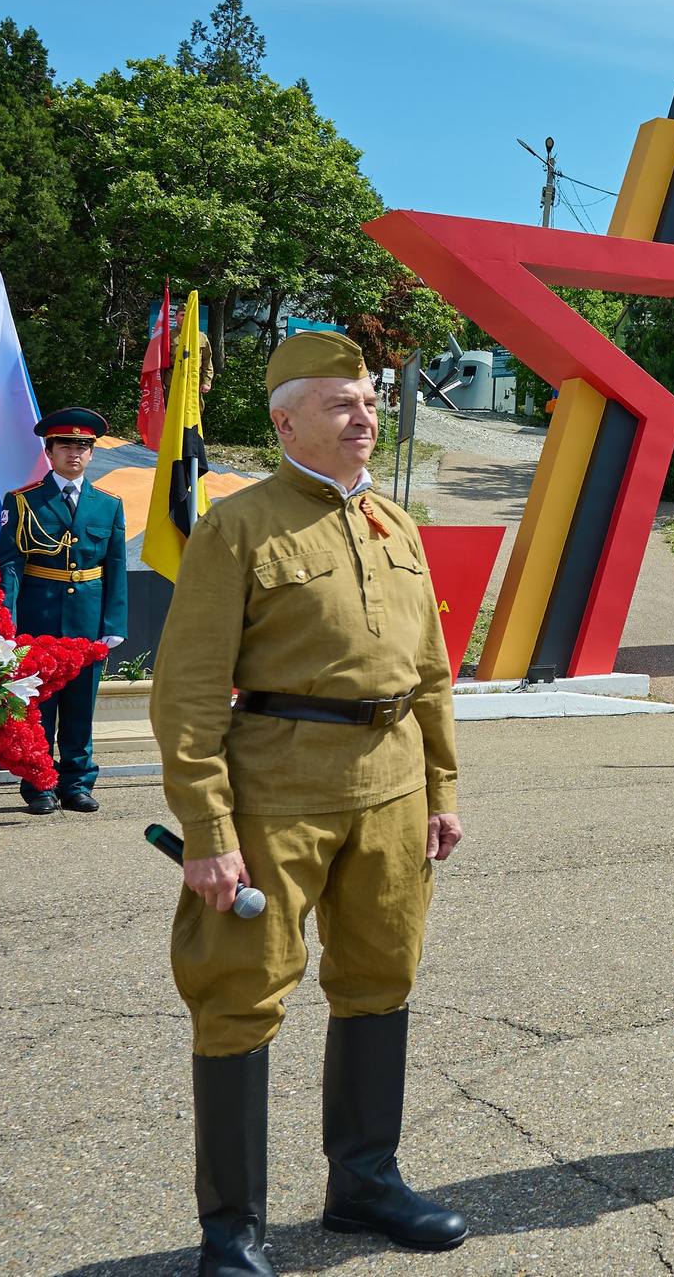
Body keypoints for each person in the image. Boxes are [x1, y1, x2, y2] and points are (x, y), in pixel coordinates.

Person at [152, 332, 467, 1274]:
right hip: (277, 790)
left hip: (393, 787)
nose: (364, 415)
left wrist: (441, 787)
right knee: (240, 994)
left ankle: (364, 1183)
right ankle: (233, 1228)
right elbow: (190, 691)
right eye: (341, 402)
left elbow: (433, 674)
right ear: (286, 420)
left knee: (381, 977)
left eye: (368, 400)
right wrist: (207, 831)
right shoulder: (237, 527)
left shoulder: (397, 525)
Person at [0, 407, 132, 815]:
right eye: (66, 446)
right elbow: (10, 564)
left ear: (92, 454)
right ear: (49, 451)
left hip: (87, 619)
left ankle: (76, 783)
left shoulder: (108, 504)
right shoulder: (23, 501)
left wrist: (113, 623)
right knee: (36, 706)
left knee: (80, 706)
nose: (75, 453)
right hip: (39, 617)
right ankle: (38, 782)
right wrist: (7, 620)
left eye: (83, 446)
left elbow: (116, 568)